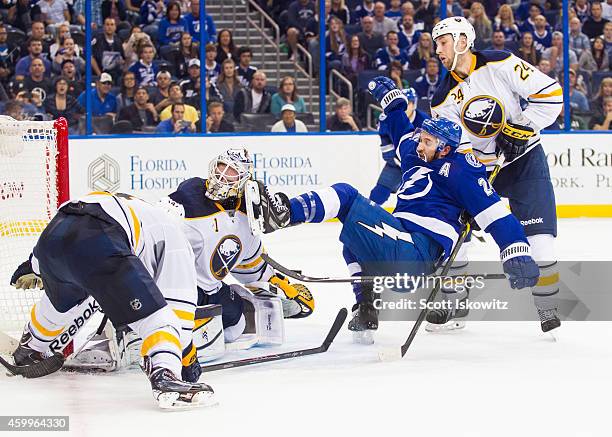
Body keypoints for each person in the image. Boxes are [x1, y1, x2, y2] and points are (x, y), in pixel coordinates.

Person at [248, 77, 539, 341]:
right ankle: (365, 308)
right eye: (422, 139)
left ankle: (283, 213)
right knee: (353, 241)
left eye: (427, 141)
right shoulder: (416, 156)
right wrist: (395, 103)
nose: (420, 144)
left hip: (415, 255)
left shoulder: (462, 169)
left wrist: (516, 250)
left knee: (347, 197)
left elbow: (497, 216)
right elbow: (402, 131)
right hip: (399, 244)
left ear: (445, 148)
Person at [9, 191, 214, 409]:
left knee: (63, 305)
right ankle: (166, 376)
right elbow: (178, 313)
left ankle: (31, 348)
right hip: (99, 238)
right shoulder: (175, 235)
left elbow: (73, 225)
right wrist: (187, 358)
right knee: (160, 321)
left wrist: (35, 265)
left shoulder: (138, 207)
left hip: (53, 235)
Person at [430, 16, 562, 332]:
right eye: (436, 44)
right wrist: (472, 179)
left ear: (462, 41)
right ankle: (455, 300)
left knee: (540, 241)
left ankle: (547, 305)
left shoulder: (500, 63)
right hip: (481, 172)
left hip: (525, 160)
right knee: (451, 233)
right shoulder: (442, 100)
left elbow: (551, 94)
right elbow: (457, 149)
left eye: (443, 42)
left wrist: (523, 128)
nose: (437, 50)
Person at [163, 149, 315, 340]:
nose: (222, 175)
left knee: (240, 318)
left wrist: (283, 285)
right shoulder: (188, 195)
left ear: (244, 181)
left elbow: (251, 266)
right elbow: (155, 230)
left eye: (231, 172)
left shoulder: (245, 220)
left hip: (204, 290)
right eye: (221, 167)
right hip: (173, 285)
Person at [369, 87, 429, 205]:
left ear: (414, 104)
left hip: (421, 164)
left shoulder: (425, 120)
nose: (406, 107)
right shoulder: (387, 119)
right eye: (404, 104)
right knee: (379, 192)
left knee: (425, 194)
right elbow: (386, 148)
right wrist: (398, 161)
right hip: (397, 163)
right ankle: (366, 215)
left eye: (409, 103)